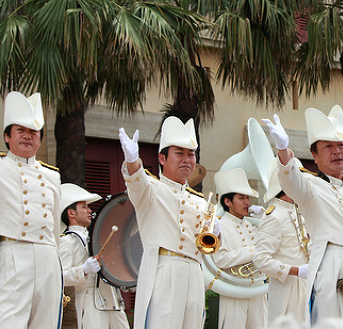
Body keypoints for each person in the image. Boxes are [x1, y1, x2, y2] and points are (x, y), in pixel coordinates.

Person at [262, 106, 343, 327]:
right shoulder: (308, 184)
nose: (336, 151)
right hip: (329, 267)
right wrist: (283, 149)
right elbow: (289, 179)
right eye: (328, 147)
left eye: (341, 145)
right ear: (314, 154)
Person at [118, 117, 209, 329]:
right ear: (162, 158)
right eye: (179, 153)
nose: (186, 159)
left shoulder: (200, 201)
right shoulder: (151, 189)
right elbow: (136, 182)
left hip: (195, 271)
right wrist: (133, 161)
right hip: (164, 267)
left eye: (191, 154)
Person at [0, 91, 63, 328]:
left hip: (48, 257)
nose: (28, 136)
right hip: (13, 254)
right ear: (7, 137)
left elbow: (56, 226)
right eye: (21, 130)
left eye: (33, 132)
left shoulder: (52, 175)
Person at [59, 183, 130, 329]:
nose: (89, 210)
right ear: (71, 213)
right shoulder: (67, 241)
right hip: (90, 300)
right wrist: (83, 270)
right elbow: (59, 276)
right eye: (84, 207)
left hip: (112, 298)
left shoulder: (96, 236)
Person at [253, 159, 310, 325]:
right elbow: (261, 259)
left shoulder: (296, 210)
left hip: (304, 286)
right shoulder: (275, 215)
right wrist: (296, 271)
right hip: (286, 289)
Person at [212, 167, 267, 329]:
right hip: (234, 292)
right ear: (228, 202)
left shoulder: (252, 225)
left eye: (247, 198)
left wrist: (266, 220)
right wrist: (252, 251)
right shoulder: (220, 226)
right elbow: (221, 259)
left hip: (257, 290)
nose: (247, 203)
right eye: (241, 198)